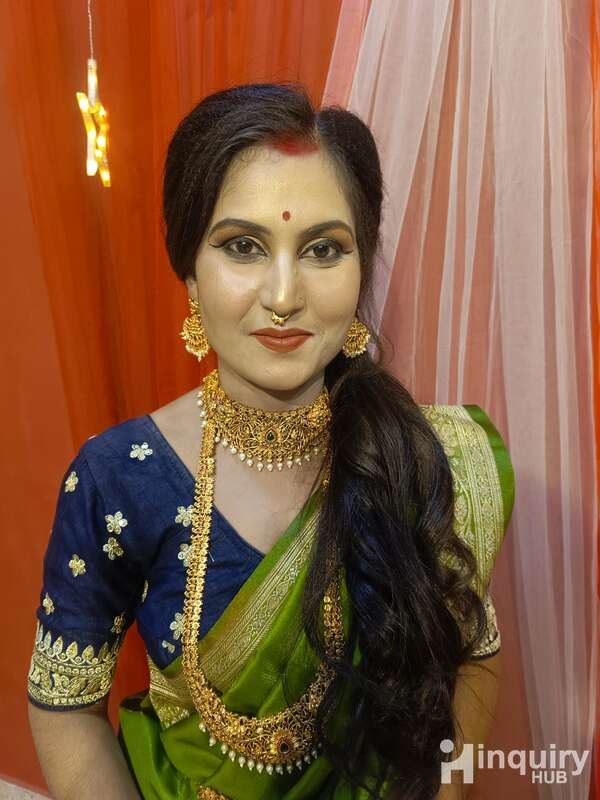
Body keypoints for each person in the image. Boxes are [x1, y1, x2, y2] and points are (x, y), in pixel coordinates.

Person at [27, 83, 515, 800]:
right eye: (243, 247)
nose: (284, 295)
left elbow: (475, 657)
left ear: (361, 266)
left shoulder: (421, 456)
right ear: (189, 269)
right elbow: (67, 710)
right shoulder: (118, 478)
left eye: (323, 249)